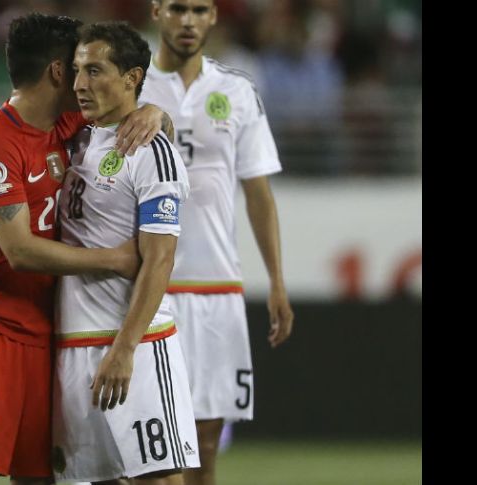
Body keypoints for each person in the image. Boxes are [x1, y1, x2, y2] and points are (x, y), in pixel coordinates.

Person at [0, 12, 171, 485]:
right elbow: (20, 251)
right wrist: (115, 259)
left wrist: (155, 111)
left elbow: (130, 102)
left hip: (49, 332)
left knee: (43, 476)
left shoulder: (68, 128)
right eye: (79, 68)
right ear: (58, 72)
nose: (86, 81)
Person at [139, 2, 295, 484]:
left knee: (206, 441)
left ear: (213, 18)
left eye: (200, 9)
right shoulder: (131, 83)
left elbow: (258, 193)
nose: (188, 20)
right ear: (158, 12)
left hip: (215, 287)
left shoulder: (237, 91)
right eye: (179, 8)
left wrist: (276, 281)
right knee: (148, 447)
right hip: (146, 287)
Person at [51, 21, 198, 484]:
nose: (80, 84)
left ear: (132, 78)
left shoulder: (151, 150)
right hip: (74, 347)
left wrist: (125, 348)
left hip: (137, 346)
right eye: (77, 70)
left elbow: (159, 258)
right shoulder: (76, 141)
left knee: (159, 478)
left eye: (95, 71)